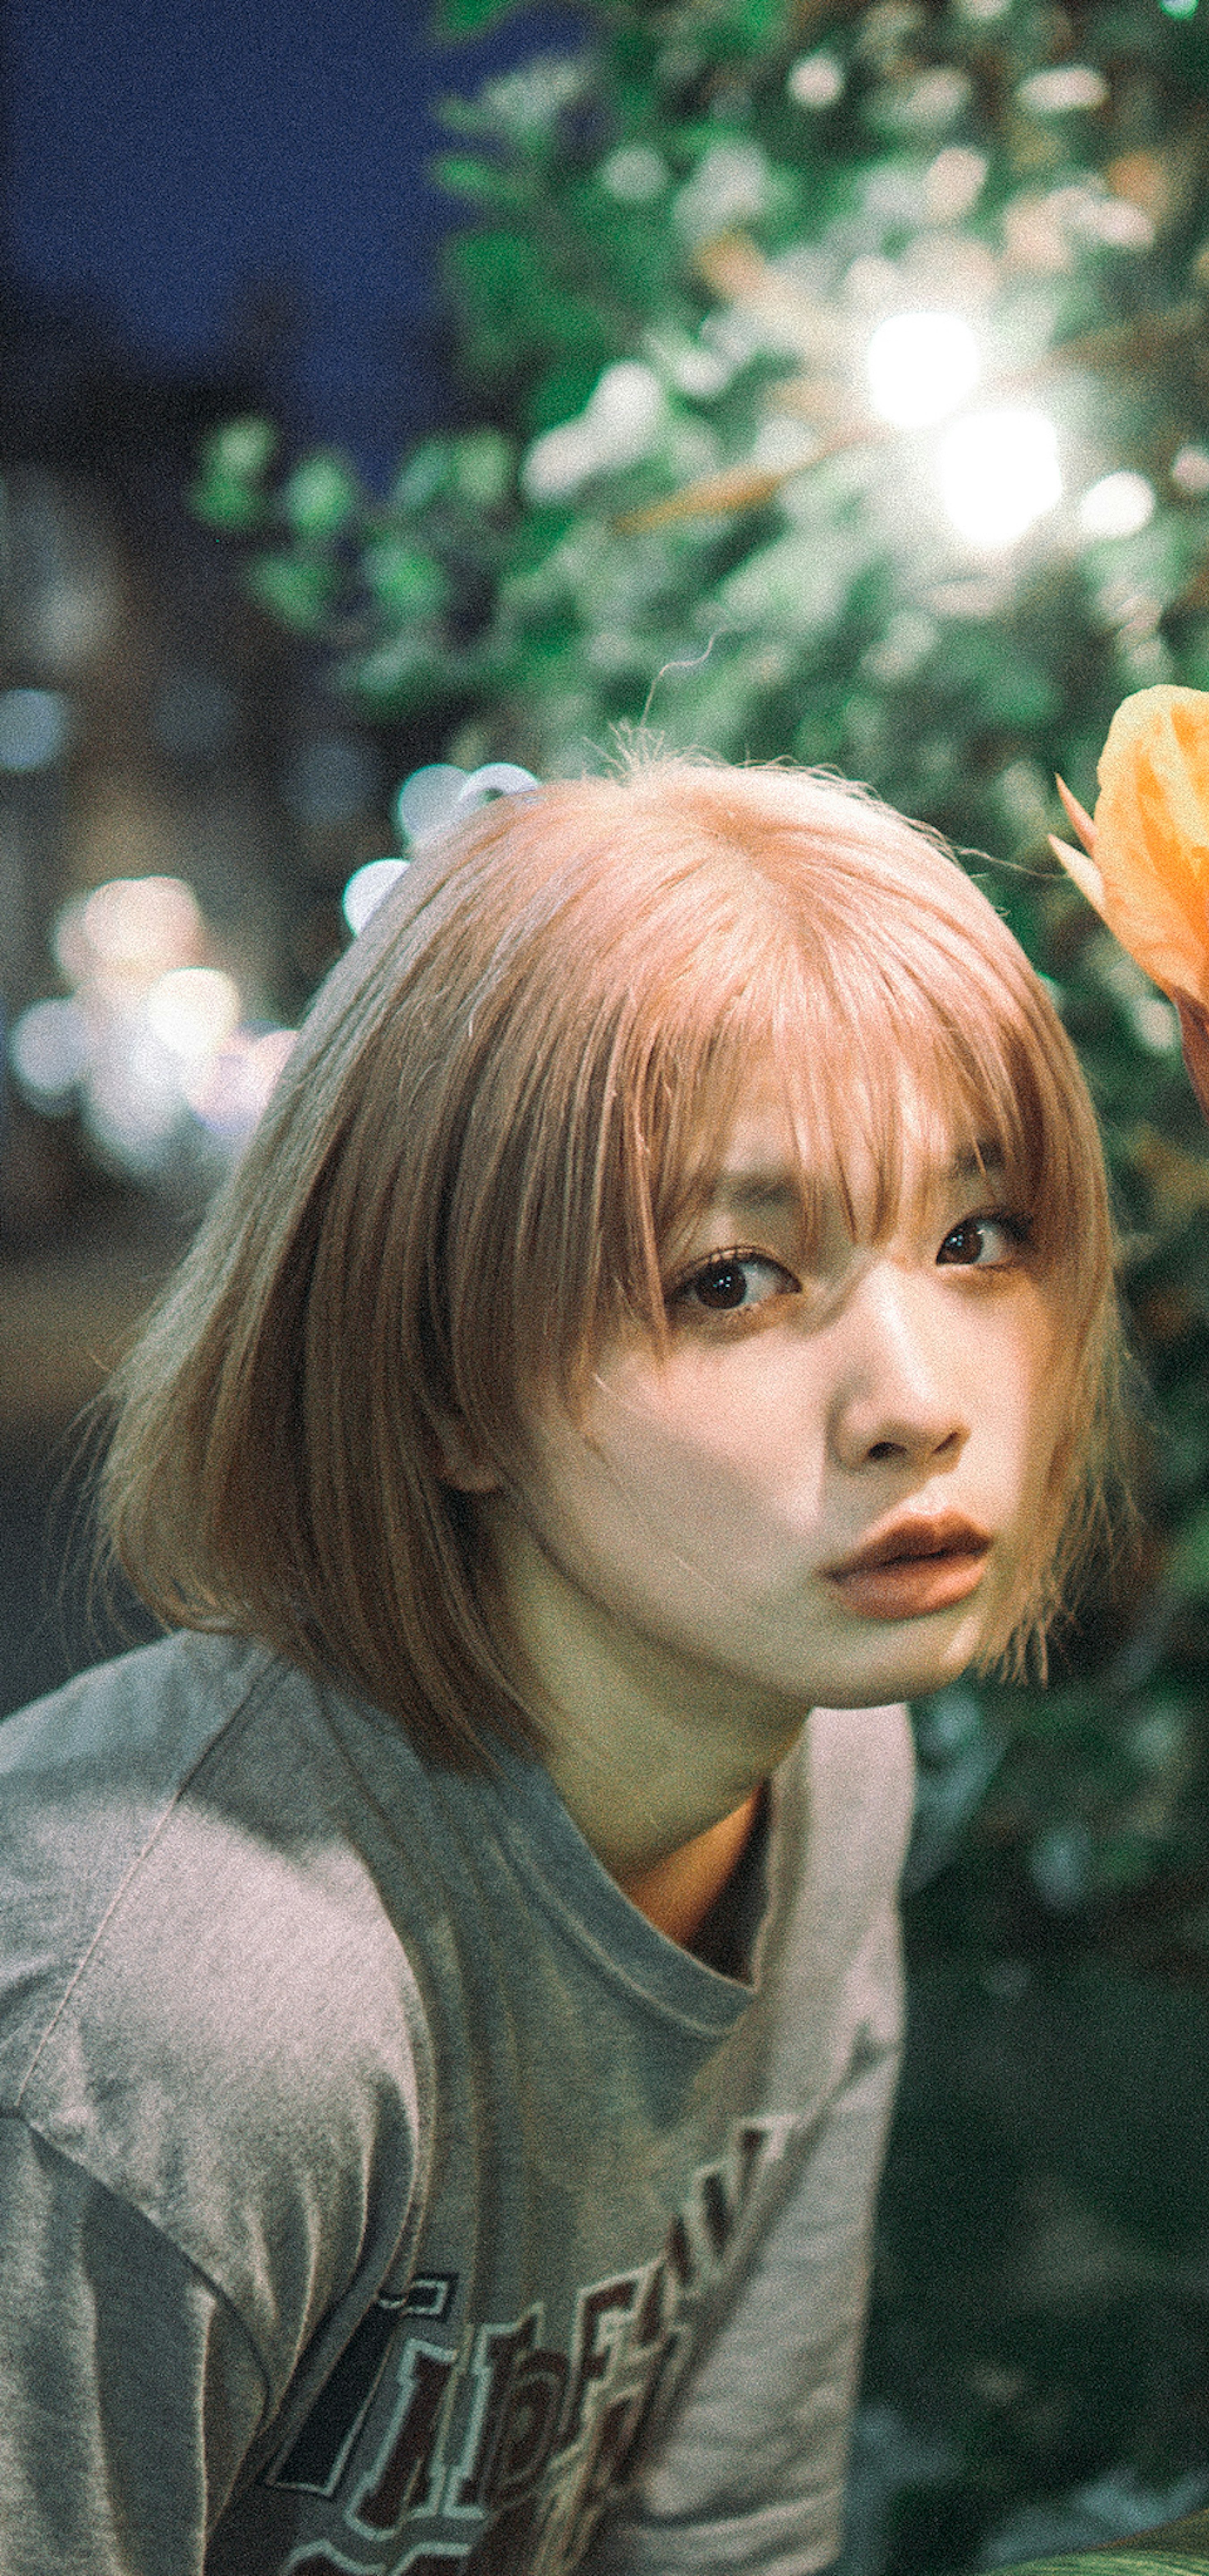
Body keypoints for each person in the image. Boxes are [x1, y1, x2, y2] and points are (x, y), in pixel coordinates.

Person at [0, 756, 1120, 2575]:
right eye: (733, 1280)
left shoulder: (823, 1770)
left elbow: (727, 2533)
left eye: (976, 1237)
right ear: (447, 1382)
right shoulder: (178, 2024)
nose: (921, 1403)